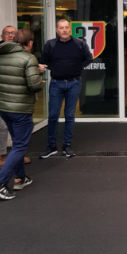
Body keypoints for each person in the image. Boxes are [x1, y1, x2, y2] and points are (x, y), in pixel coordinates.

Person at [0, 29, 44, 200]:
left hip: (4, 107)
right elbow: (34, 85)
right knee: (20, 146)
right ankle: (0, 184)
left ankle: (20, 178)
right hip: (20, 108)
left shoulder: (1, 56)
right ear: (29, 42)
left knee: (17, 143)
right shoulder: (28, 58)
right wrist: (39, 74)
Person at [38, 19, 92, 159]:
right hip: (56, 84)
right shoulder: (50, 44)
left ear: (70, 29)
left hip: (74, 83)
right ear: (57, 30)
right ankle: (51, 146)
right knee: (53, 115)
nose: (64, 30)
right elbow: (44, 61)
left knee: (69, 116)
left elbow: (88, 58)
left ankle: (67, 145)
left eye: (67, 27)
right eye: (61, 28)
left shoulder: (79, 44)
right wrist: (54, 68)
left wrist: (78, 68)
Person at [0, 26, 32, 169]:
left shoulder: (22, 55)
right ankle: (3, 157)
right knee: (1, 127)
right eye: (7, 33)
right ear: (1, 35)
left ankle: (16, 158)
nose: (10, 35)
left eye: (13, 33)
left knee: (8, 127)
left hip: (9, 97)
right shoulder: (0, 52)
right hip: (2, 95)